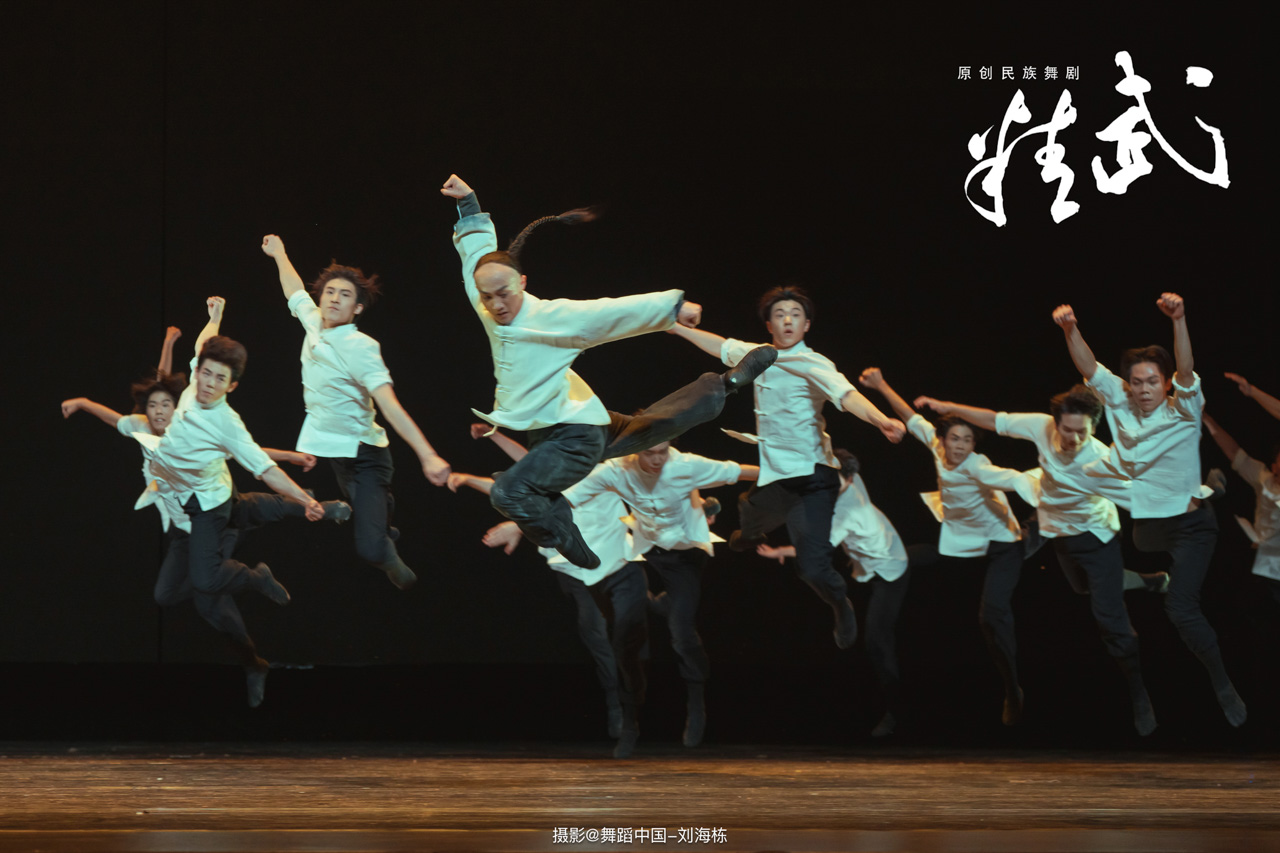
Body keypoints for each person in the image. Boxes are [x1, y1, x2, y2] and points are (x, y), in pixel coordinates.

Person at [442, 173, 776, 571]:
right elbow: (475, 259)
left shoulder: (553, 317)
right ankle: (728, 383)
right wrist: (468, 203)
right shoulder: (485, 299)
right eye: (487, 296)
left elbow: (610, 311)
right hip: (566, 420)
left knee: (508, 493)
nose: (496, 304)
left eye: (504, 294)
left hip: (572, 435)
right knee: (652, 427)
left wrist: (673, 309)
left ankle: (560, 528)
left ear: (523, 283)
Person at [63, 301, 333, 706]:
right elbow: (192, 354)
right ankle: (238, 615)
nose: (206, 383)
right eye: (204, 374)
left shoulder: (217, 423)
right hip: (184, 526)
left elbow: (256, 459)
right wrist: (213, 318)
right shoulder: (148, 425)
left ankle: (262, 569)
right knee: (172, 594)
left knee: (218, 567)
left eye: (218, 378)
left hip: (211, 510)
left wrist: (295, 475)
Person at [668, 285, 905, 650]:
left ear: (806, 324)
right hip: (776, 478)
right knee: (748, 511)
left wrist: (881, 420)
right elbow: (720, 345)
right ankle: (751, 534)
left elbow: (848, 396)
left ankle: (840, 604)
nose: (788, 320)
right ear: (769, 325)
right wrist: (673, 328)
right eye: (779, 315)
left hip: (813, 480)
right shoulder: (759, 356)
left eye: (795, 314)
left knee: (812, 568)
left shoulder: (815, 363)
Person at [913, 386, 1159, 735]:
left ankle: (1139, 692)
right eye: (1067, 429)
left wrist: (1199, 496)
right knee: (1074, 589)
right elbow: (995, 420)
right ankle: (1012, 687)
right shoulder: (1041, 425)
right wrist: (947, 405)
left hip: (1094, 536)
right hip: (1051, 523)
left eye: (1082, 432)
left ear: (1093, 428)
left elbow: (1149, 495)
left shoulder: (1102, 461)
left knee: (1109, 620)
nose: (1073, 439)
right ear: (1056, 423)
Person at [1053, 293, 1246, 726]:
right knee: (1078, 475)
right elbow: (1089, 367)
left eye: (1152, 382)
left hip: (1191, 527)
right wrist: (1070, 328)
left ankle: (1221, 683)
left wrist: (1179, 319)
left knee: (1180, 609)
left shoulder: (1184, 410)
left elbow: (1186, 369)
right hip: (1147, 524)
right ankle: (1208, 489)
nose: (1143, 390)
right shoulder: (1120, 401)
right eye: (1137, 382)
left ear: (1165, 384)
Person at [262, 234, 451, 591]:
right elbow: (294, 291)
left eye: (345, 295)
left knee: (370, 548)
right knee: (367, 517)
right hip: (337, 455)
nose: (334, 298)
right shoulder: (313, 322)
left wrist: (428, 456)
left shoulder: (361, 347)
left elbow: (390, 405)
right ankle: (382, 521)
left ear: (358, 308)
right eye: (330, 292)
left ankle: (392, 554)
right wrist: (280, 254)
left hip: (367, 455)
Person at [860, 367, 1037, 725]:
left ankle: (1012, 688)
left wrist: (1043, 483)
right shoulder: (937, 446)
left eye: (967, 441)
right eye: (955, 438)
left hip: (1000, 542)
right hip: (961, 538)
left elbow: (1013, 479)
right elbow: (910, 417)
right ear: (943, 439)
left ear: (974, 446)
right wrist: (881, 385)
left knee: (991, 616)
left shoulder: (978, 467)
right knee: (920, 555)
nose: (959, 446)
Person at [558, 439, 759, 755]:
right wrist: (518, 526)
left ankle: (696, 700)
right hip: (646, 549)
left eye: (662, 452)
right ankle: (630, 723)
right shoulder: (618, 470)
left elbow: (741, 471)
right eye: (648, 453)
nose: (656, 460)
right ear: (636, 451)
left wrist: (794, 473)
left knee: (681, 633)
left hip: (685, 557)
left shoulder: (686, 465)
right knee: (627, 637)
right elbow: (566, 498)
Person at [450, 424, 638, 742]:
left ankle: (628, 696)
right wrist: (487, 446)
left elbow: (552, 496)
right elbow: (524, 466)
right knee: (596, 635)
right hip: (574, 571)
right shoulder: (554, 470)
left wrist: (516, 526)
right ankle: (615, 704)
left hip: (615, 563)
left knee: (626, 630)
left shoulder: (603, 472)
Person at [755, 449, 910, 737]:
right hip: (869, 555)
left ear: (849, 480)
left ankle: (895, 711)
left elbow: (814, 550)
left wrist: (780, 551)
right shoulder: (848, 476)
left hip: (889, 570)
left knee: (876, 641)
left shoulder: (849, 512)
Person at [1203, 413, 1280, 605]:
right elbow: (1234, 453)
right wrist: (1207, 420)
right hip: (1263, 566)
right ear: (1274, 466)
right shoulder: (1263, 479)